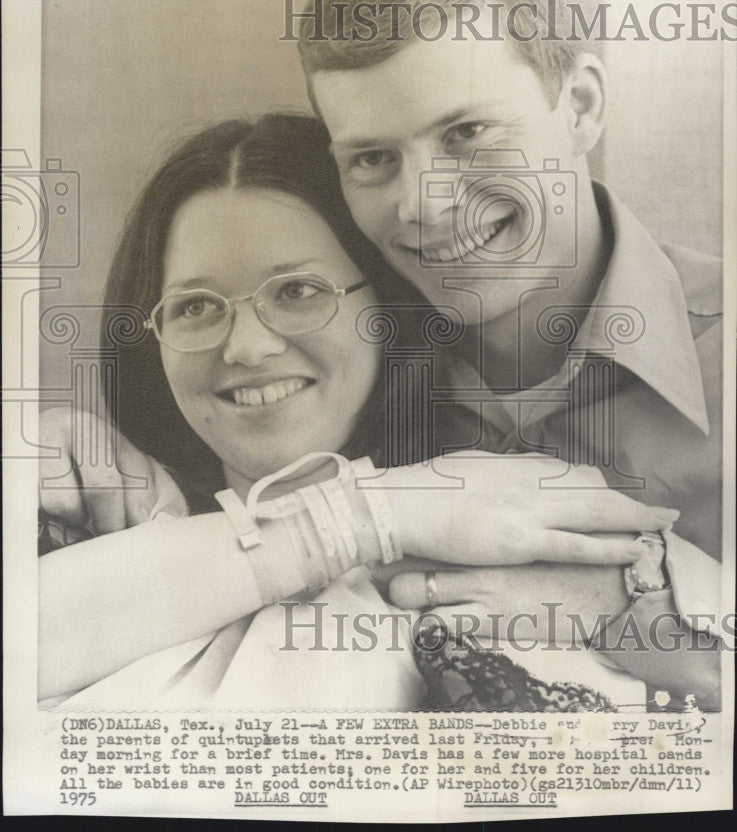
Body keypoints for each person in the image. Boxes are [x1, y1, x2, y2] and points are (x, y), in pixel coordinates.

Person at [39, 114, 669, 710]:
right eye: (196, 307)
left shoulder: (535, 517)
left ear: (389, 311)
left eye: (299, 291)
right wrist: (366, 517)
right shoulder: (90, 537)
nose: (247, 346)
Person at [294, 0, 724, 706]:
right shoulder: (332, 371)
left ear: (581, 107)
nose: (419, 203)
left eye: (465, 134)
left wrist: (631, 612)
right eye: (372, 159)